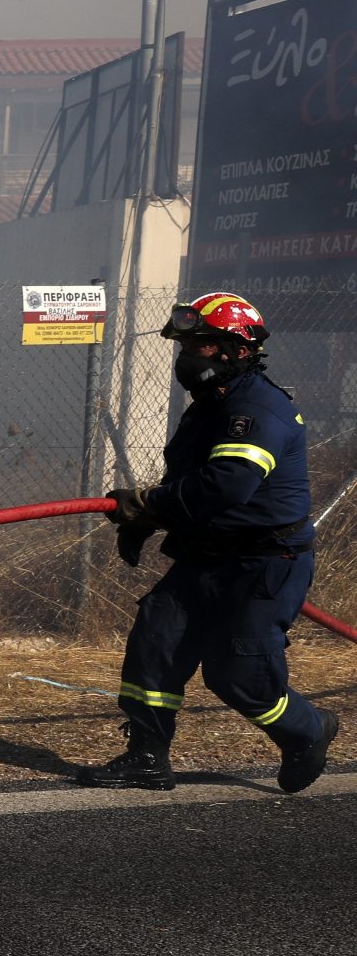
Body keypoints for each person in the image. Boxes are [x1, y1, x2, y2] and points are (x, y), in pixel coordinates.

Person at [78, 290, 337, 793]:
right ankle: (147, 757)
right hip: (206, 555)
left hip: (263, 563)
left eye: (202, 345)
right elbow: (192, 484)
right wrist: (149, 518)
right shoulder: (209, 407)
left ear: (238, 349)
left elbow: (227, 486)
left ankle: (307, 729)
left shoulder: (258, 410)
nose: (189, 357)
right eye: (188, 345)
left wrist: (148, 504)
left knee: (237, 673)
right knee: (156, 640)